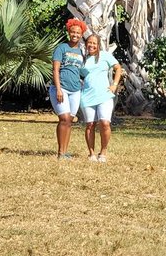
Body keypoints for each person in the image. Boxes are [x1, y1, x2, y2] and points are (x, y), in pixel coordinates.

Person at [80, 34, 123, 163]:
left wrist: (114, 85)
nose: (91, 45)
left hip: (104, 95)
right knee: (90, 124)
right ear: (86, 44)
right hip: (87, 96)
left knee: (104, 123)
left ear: (98, 45)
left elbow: (118, 68)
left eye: (94, 43)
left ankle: (103, 152)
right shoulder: (83, 59)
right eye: (89, 43)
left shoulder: (105, 56)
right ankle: (91, 153)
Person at [50, 18, 87, 160]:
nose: (75, 35)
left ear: (81, 34)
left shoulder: (81, 52)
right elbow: (55, 70)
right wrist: (58, 89)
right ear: (69, 32)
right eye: (73, 32)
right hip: (61, 89)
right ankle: (60, 152)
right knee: (64, 118)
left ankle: (65, 152)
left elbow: (82, 71)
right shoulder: (61, 48)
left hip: (75, 90)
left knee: (69, 120)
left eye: (78, 33)